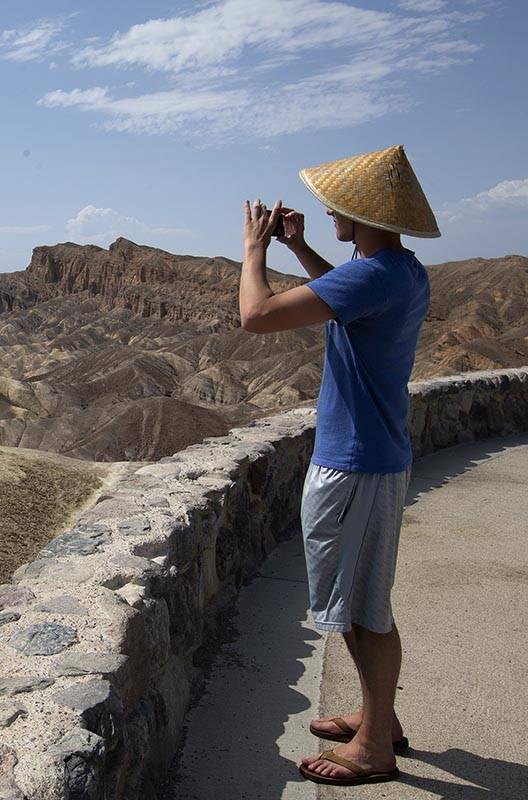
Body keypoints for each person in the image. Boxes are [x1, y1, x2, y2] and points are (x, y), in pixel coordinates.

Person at [236, 144, 438, 786]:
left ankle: (376, 746)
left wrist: (254, 252)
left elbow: (256, 316)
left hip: (352, 463)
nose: (327, 211)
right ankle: (382, 720)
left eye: (335, 205)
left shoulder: (372, 276)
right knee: (367, 601)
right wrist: (299, 250)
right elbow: (344, 297)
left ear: (363, 210)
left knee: (358, 609)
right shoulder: (400, 270)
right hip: (380, 457)